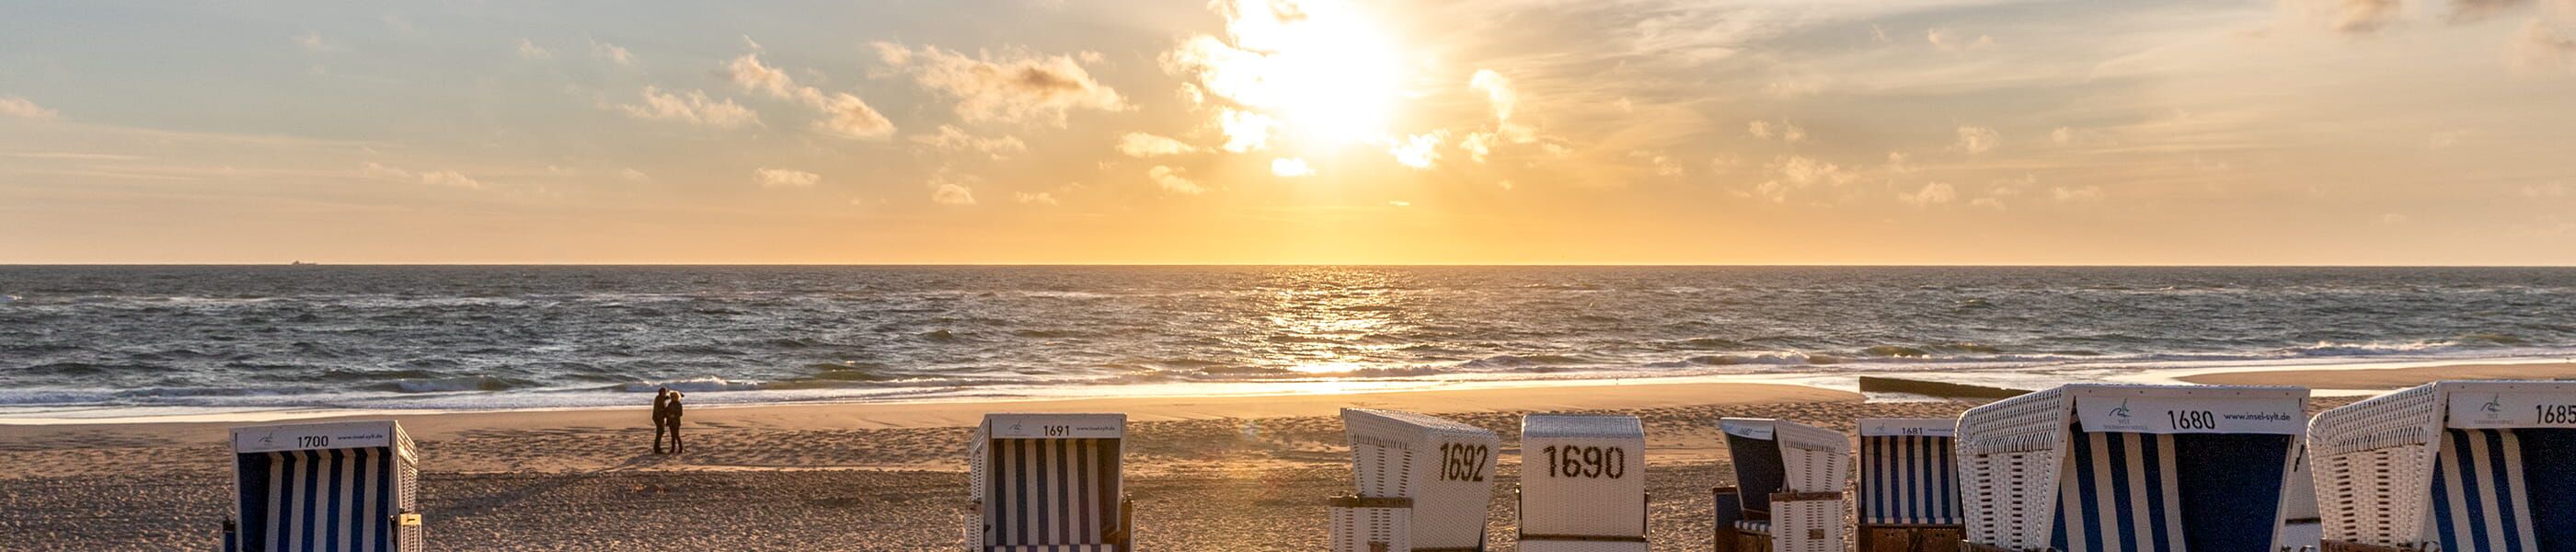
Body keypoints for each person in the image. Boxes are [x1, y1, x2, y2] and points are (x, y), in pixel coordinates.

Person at [663, 389, 685, 454]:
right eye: (671, 397)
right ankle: (673, 449)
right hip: (670, 421)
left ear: (676, 397)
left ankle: (681, 448)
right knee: (672, 436)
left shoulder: (679, 404)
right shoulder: (670, 404)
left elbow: (680, 413)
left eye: (673, 397)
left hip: (676, 421)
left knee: (676, 435)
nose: (672, 398)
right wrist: (667, 414)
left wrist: (674, 415)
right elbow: (667, 411)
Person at [651, 387, 673, 454]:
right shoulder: (659, 399)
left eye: (665, 392)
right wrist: (667, 412)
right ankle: (657, 448)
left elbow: (667, 397)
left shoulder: (660, 398)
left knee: (660, 432)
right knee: (660, 432)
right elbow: (660, 410)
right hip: (658, 418)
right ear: (660, 393)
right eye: (664, 392)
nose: (665, 393)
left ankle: (657, 447)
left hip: (660, 418)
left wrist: (677, 394)